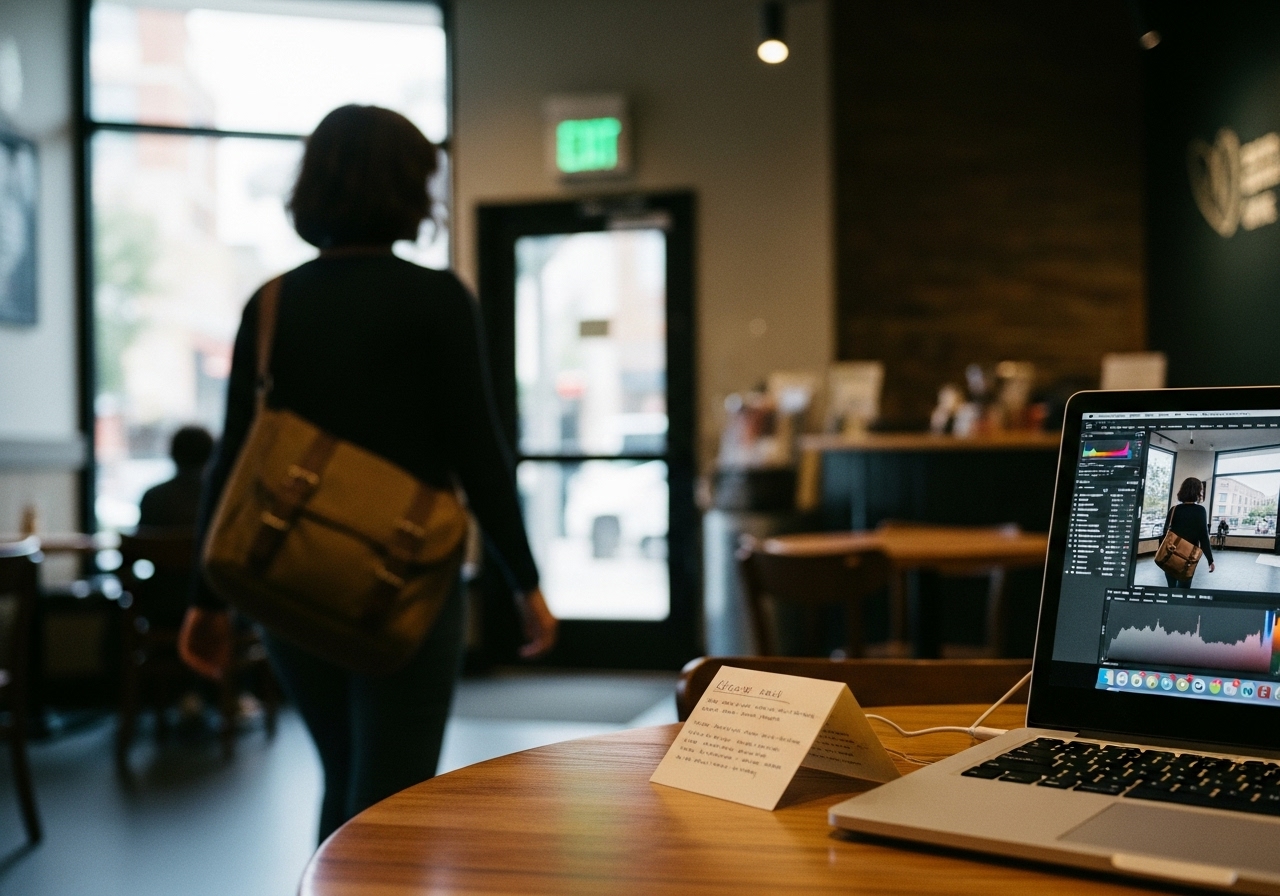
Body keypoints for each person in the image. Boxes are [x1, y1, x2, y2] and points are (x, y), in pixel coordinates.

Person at [177, 105, 558, 843]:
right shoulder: (438, 299)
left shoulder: (272, 304)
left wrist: (206, 599)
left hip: (289, 571)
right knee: (393, 797)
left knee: (344, 776)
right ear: (409, 188)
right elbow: (479, 452)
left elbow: (235, 461)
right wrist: (525, 581)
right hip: (407, 577)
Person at [134, 425, 215, 628]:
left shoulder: (153, 497)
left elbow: (135, 554)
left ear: (172, 454)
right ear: (211, 455)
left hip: (160, 603)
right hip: (209, 603)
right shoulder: (217, 499)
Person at [1161, 477, 1215, 588]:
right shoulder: (1200, 511)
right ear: (1198, 492)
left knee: (1171, 588)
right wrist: (1210, 560)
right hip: (1188, 557)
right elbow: (1203, 537)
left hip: (1170, 555)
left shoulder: (1174, 509)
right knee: (1184, 589)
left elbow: (1165, 533)